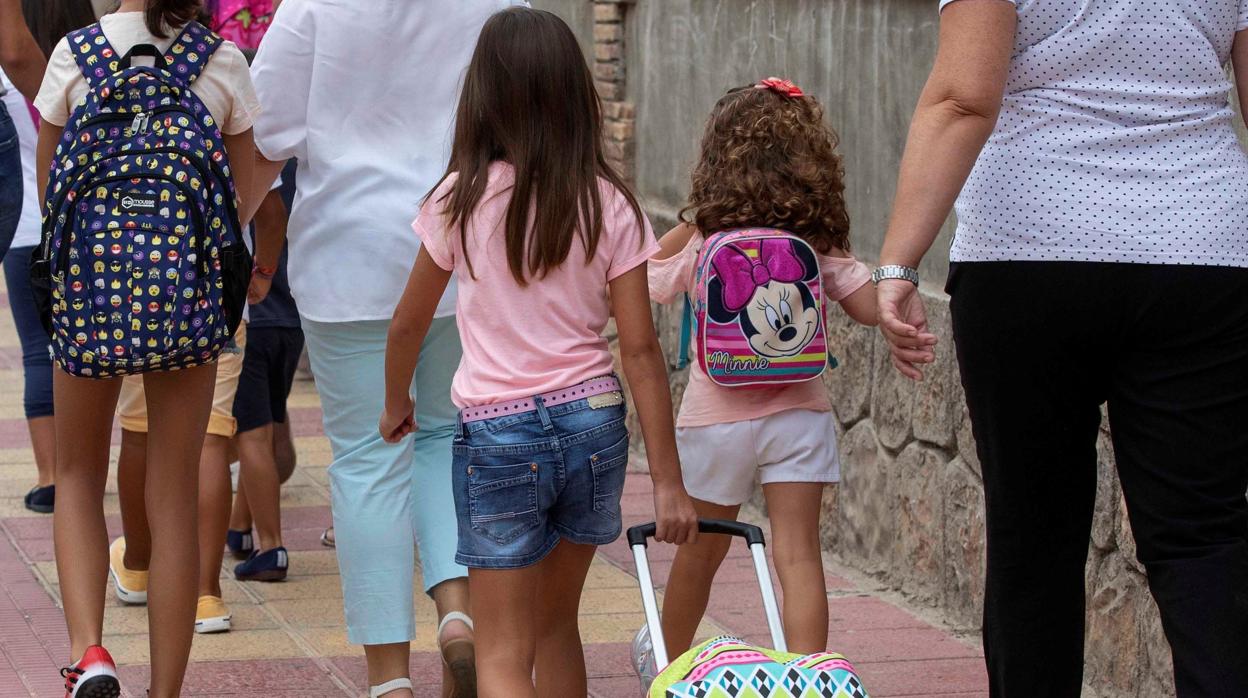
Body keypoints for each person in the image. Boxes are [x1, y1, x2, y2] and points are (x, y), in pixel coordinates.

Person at [877, 0, 1248, 695]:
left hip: (1029, 254)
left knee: (1033, 538)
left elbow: (962, 97)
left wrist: (899, 263)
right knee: (1205, 539)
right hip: (1202, 251)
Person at [379, 9, 698, 698]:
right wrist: (669, 482)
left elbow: (407, 325)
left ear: (483, 95)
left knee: (500, 651)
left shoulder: (458, 200)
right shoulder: (610, 203)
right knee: (557, 626)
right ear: (573, 92)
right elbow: (641, 350)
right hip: (592, 424)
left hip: (497, 434)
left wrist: (395, 400)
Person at [242, 2, 524, 696]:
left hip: (349, 257)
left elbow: (262, 131)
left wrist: (234, 234)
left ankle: (389, 680)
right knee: (444, 438)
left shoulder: (312, 7)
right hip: (466, 249)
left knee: (369, 461)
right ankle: (456, 611)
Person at [33, 0, 258, 694]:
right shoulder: (221, 63)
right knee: (174, 493)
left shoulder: (75, 56)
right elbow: (239, 200)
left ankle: (90, 653)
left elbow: (51, 194)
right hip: (185, 305)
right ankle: (166, 690)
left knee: (75, 474)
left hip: (89, 299)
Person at [640, 78, 878, 669]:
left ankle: (668, 666)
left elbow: (640, 282)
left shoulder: (703, 237)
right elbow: (873, 307)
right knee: (798, 554)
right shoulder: (815, 242)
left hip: (713, 419)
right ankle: (808, 673)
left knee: (700, 553)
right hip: (799, 415)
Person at [228, 161, 303, 581]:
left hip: (255, 314)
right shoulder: (299, 166)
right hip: (293, 319)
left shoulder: (255, 160)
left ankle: (271, 546)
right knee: (267, 425)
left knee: (251, 434)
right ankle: (239, 529)